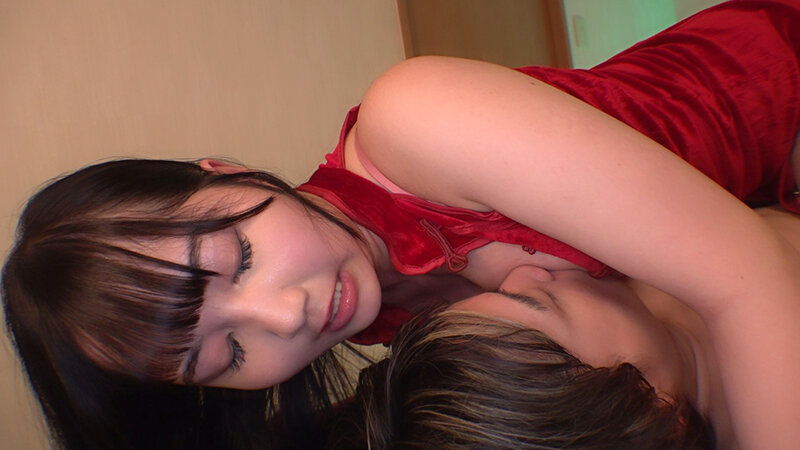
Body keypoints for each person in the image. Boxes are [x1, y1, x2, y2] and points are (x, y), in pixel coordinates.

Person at [2, 0, 799, 448]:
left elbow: (749, 282)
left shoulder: (418, 120)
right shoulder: (397, 334)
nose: (287, 314)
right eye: (228, 354)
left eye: (238, 257)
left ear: (221, 171)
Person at [332, 204, 800, 449]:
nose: (524, 271)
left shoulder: (636, 241)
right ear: (648, 411)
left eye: (492, 293)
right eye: (540, 301)